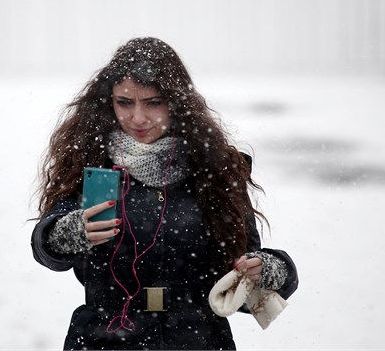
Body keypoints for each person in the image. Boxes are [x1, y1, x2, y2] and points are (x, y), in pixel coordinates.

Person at [31, 37, 298, 350]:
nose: (138, 118)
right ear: (109, 102)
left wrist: (270, 269)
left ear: (176, 103)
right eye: (125, 102)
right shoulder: (92, 161)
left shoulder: (214, 167)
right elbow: (47, 247)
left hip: (198, 339)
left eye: (153, 102)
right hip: (103, 338)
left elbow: (240, 278)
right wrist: (67, 233)